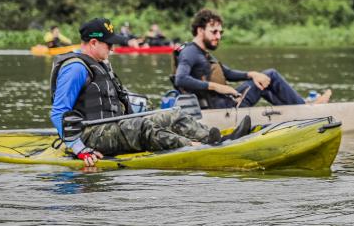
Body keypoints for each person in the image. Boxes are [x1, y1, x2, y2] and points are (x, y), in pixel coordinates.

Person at [50, 17, 251, 167]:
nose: (112, 48)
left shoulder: (100, 62)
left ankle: (216, 139)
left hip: (112, 127)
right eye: (109, 44)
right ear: (93, 43)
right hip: (90, 135)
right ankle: (197, 148)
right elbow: (58, 112)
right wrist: (80, 149)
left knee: (173, 114)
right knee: (144, 126)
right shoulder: (75, 68)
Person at [173, 8, 331, 109]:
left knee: (262, 80)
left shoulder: (203, 52)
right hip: (221, 108)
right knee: (271, 75)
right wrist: (216, 87)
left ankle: (296, 109)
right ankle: (304, 109)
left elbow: (227, 73)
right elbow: (180, 79)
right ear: (200, 30)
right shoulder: (190, 53)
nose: (218, 36)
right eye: (214, 32)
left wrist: (252, 74)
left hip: (225, 101)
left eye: (221, 32)